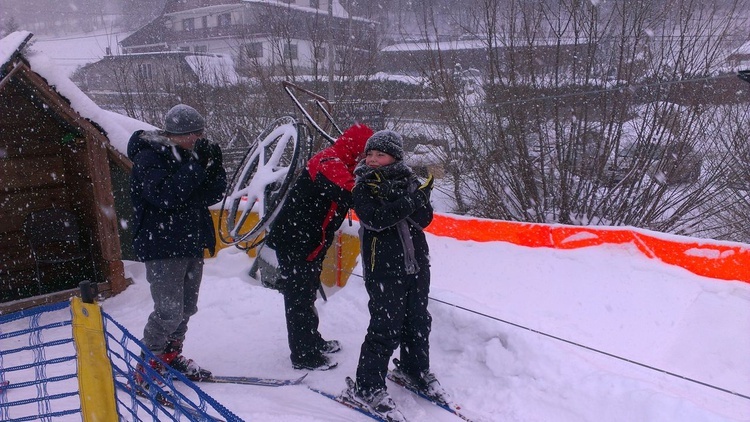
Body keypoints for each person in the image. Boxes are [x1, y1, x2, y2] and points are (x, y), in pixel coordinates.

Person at [342, 130, 447, 419]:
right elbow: (375, 220)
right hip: (383, 268)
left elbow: (424, 220)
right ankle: (367, 385)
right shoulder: (363, 186)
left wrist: (417, 199)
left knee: (417, 321)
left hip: (416, 264)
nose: (373, 159)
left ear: (395, 157)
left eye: (380, 154)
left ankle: (414, 369)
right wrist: (409, 202)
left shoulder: (409, 181)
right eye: (370, 154)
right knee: (385, 327)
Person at [127, 104, 227, 388]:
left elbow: (209, 194)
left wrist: (214, 167)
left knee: (186, 308)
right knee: (168, 310)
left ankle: (170, 355)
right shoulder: (149, 157)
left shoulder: (187, 156)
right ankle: (149, 363)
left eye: (200, 132)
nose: (198, 138)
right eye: (192, 134)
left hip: (190, 242)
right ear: (174, 135)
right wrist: (196, 166)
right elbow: (166, 196)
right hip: (162, 244)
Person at [264, 123, 374, 371]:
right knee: (298, 298)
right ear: (357, 147)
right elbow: (351, 194)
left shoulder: (343, 162)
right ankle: (303, 355)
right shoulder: (328, 162)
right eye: (366, 152)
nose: (366, 158)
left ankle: (312, 341)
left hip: (310, 241)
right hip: (296, 241)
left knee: (306, 293)